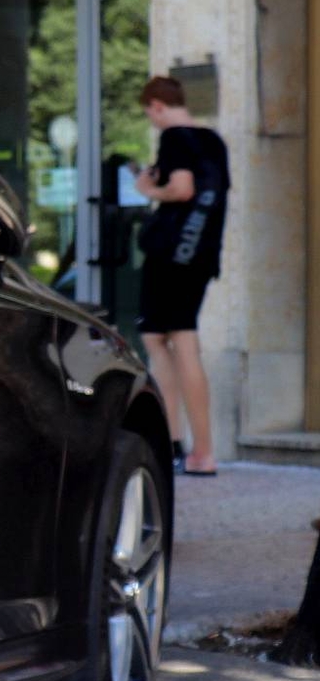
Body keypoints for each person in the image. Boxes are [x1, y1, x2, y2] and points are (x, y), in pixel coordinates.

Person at [126, 75, 228, 476]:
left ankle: (193, 448)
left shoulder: (173, 138)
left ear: (156, 105)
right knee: (168, 335)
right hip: (200, 255)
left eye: (149, 113)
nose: (152, 120)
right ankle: (184, 443)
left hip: (171, 254)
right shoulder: (213, 140)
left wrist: (149, 190)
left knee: (170, 339)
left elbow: (183, 189)